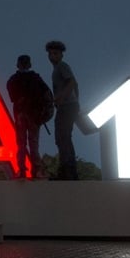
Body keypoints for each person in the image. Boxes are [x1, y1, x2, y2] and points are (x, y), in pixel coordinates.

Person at [6, 54, 49, 179]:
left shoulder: (13, 80)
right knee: (31, 144)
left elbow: (12, 97)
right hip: (31, 116)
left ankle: (23, 170)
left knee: (22, 144)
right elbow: (46, 95)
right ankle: (34, 171)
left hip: (24, 115)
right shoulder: (36, 79)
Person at [46, 40, 80, 180]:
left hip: (67, 107)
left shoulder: (62, 66)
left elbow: (72, 82)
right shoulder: (57, 69)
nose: (52, 56)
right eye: (50, 53)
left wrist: (61, 97)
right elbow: (75, 85)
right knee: (63, 138)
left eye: (55, 53)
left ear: (61, 55)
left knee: (63, 137)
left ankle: (68, 172)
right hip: (68, 106)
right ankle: (67, 171)